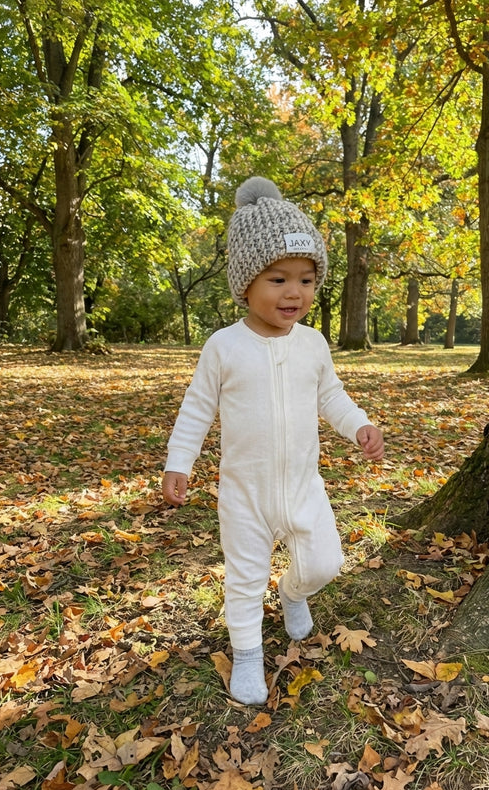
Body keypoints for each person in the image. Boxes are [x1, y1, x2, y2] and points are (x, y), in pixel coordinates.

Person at [162, 177, 384, 705]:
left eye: (307, 280)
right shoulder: (224, 347)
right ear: (245, 284)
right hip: (246, 494)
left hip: (304, 486)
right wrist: (179, 462)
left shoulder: (312, 345)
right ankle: (246, 656)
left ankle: (292, 592)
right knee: (243, 578)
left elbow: (330, 395)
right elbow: (197, 407)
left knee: (324, 563)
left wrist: (359, 425)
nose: (294, 293)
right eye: (278, 278)